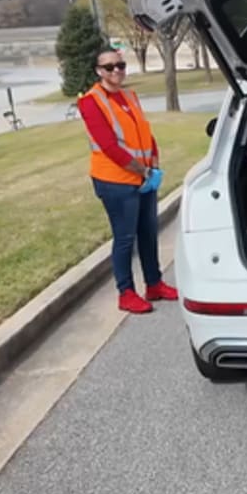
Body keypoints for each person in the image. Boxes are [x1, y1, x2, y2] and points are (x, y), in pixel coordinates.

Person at [78, 48, 178, 314]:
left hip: (143, 177)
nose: (116, 71)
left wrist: (154, 162)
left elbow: (144, 131)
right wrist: (142, 171)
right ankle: (126, 293)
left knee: (148, 232)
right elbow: (109, 146)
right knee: (125, 238)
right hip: (115, 181)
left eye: (120, 65)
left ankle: (154, 284)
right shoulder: (91, 101)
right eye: (109, 67)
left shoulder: (129, 95)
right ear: (99, 71)